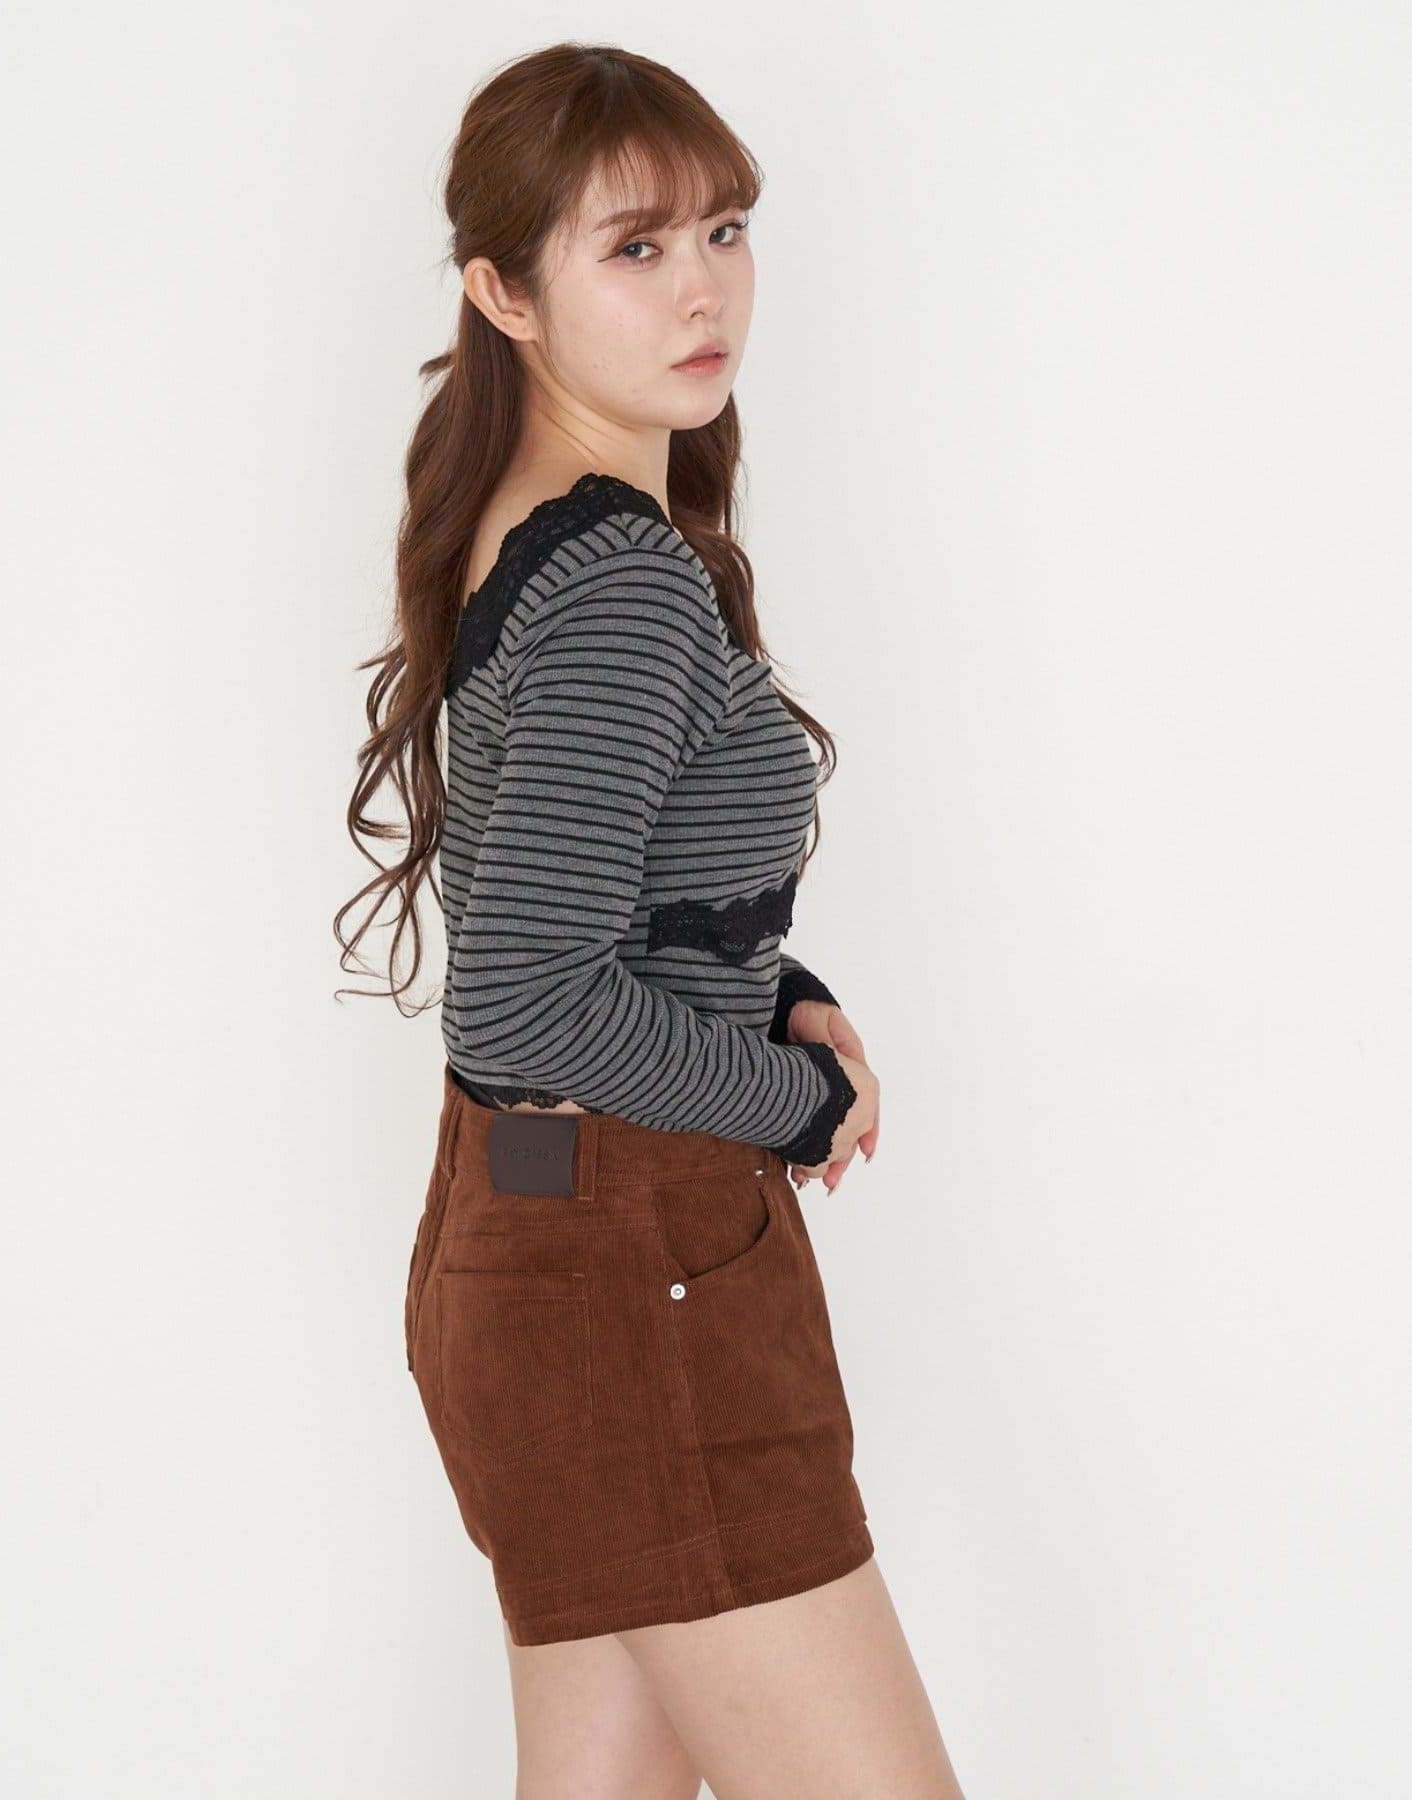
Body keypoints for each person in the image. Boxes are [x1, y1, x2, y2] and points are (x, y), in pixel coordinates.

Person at [336, 40, 966, 1800]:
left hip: (542, 1246)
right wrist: (799, 1101)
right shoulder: (617, 574)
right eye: (634, 247)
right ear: (501, 292)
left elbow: (585, 898)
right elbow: (529, 1002)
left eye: (724, 231)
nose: (704, 290)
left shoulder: (545, 534)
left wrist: (774, 990)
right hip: (638, 1271)